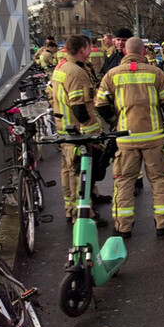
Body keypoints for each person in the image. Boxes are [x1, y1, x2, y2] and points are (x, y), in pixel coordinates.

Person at [96, 37, 164, 237]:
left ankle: (123, 227)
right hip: (153, 139)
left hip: (125, 139)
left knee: (124, 182)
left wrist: (114, 121)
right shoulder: (156, 74)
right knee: (160, 180)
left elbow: (100, 105)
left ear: (125, 52)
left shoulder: (112, 75)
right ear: (144, 51)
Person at [50, 35, 108, 226]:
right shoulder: (76, 72)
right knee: (79, 172)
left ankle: (71, 209)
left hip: (63, 128)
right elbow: (79, 108)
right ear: (83, 49)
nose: (91, 50)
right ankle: (83, 215)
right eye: (89, 47)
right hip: (77, 131)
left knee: (67, 171)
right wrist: (92, 134)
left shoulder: (61, 68)